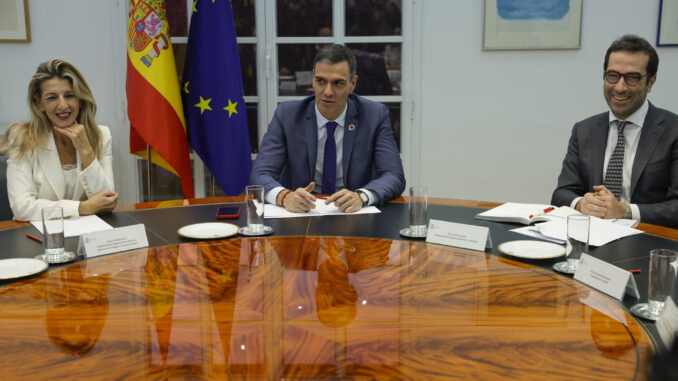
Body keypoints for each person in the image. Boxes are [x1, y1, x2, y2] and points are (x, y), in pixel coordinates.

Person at [251, 44, 405, 213]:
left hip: (352, 212)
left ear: (352, 84)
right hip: (302, 213)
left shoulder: (374, 115)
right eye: (321, 81)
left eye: (338, 83)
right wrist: (284, 196)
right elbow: (261, 173)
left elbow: (393, 176)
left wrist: (361, 196)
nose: (328, 92)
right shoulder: (287, 114)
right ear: (312, 79)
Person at [552, 35, 678, 228]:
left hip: (649, 243)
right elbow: (561, 193)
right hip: (591, 241)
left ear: (651, 82)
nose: (620, 87)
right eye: (613, 76)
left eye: (632, 78)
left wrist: (625, 211)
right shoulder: (584, 130)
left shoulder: (673, 130)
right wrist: (581, 204)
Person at [0, 59, 118, 221]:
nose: (62, 105)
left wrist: (86, 151)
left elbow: (107, 201)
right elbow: (22, 207)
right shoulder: (21, 137)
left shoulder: (101, 135)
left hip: (87, 236)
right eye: (52, 98)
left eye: (69, 95)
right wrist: (82, 207)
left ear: (80, 100)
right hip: (36, 236)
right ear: (39, 103)